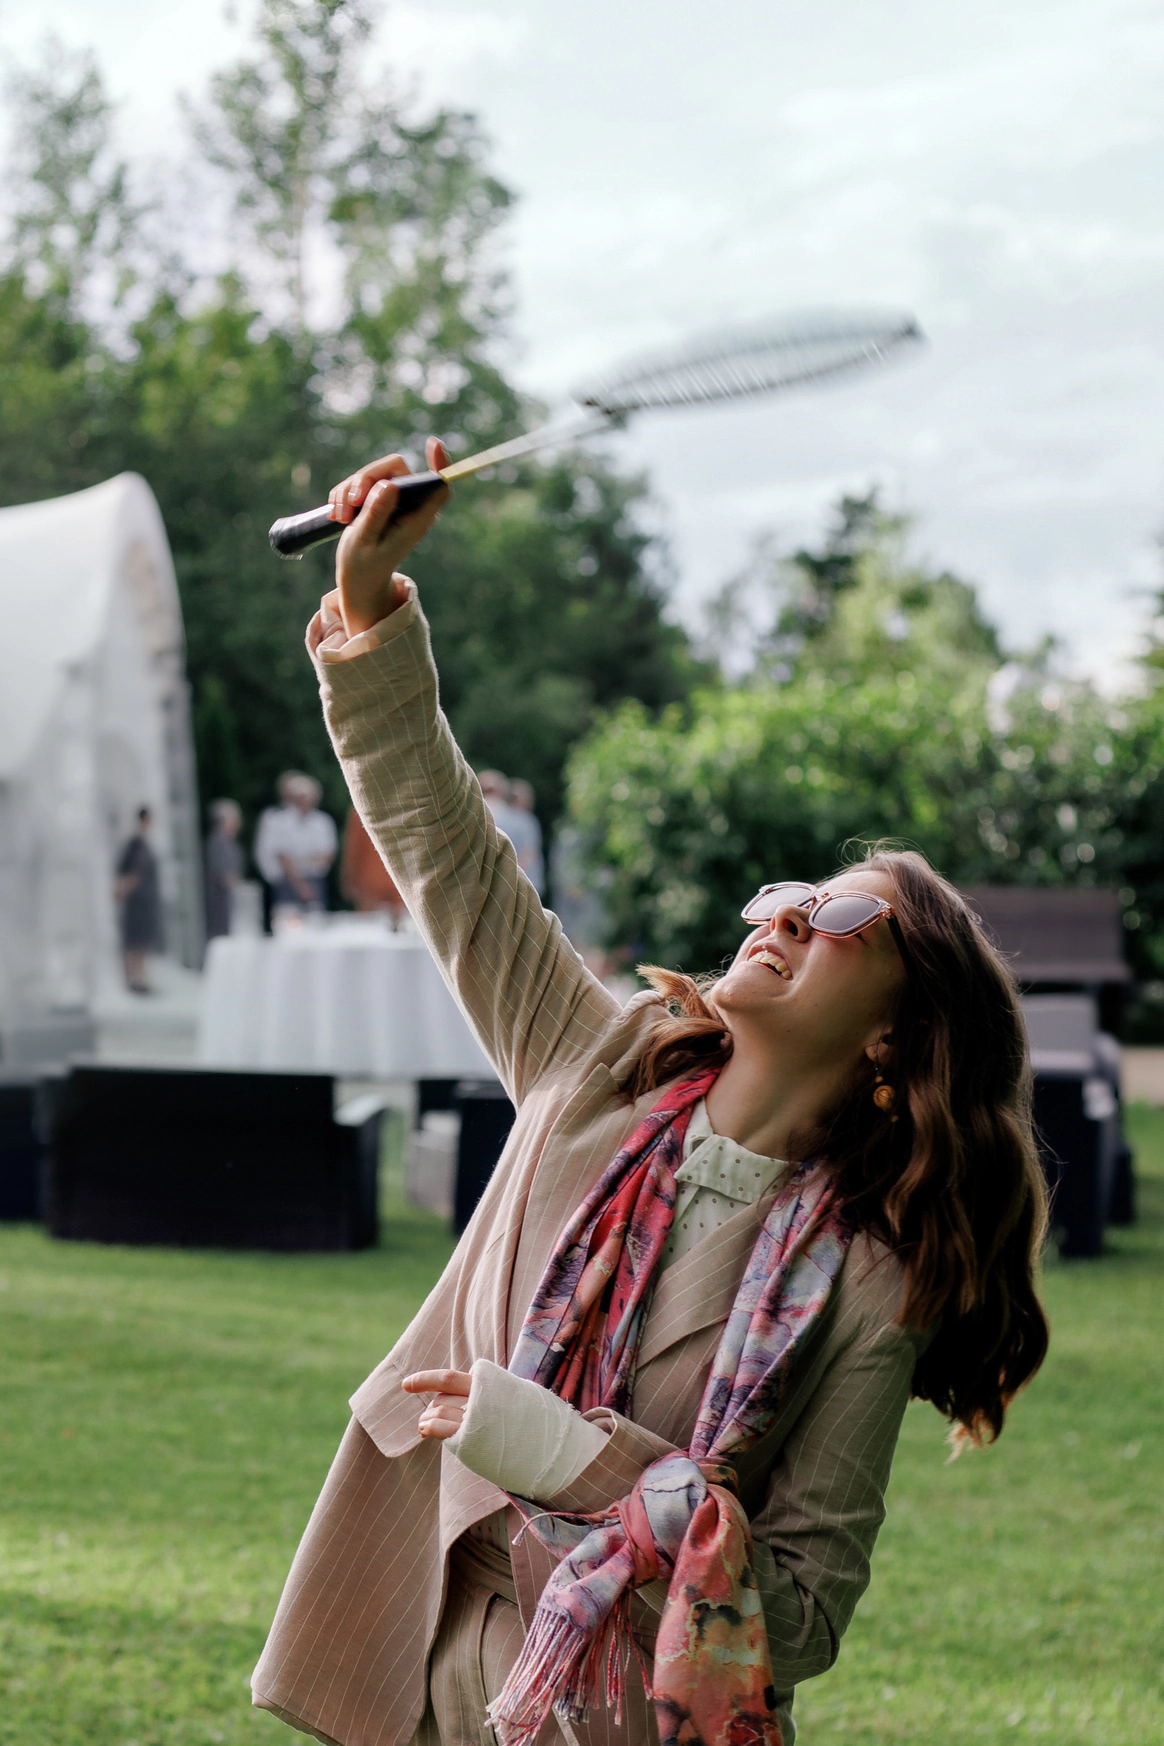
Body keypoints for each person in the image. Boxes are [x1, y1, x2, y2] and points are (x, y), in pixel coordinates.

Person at [252, 445, 1050, 1746]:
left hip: (618, 1716)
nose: (789, 915)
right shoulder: (594, 1064)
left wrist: (580, 1464)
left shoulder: (870, 1278)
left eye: (844, 917)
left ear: (895, 1037)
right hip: (427, 1664)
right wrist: (369, 602)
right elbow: (448, 849)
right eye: (788, 896)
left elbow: (802, 1618)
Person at [253, 770, 336, 925]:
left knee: (316, 923)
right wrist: (300, 882)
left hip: (315, 881)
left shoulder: (323, 821)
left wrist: (300, 863)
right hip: (286, 883)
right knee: (287, 924)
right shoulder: (280, 820)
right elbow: (282, 856)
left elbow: (327, 854)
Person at [114, 806, 162, 994]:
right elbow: (128, 871)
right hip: (136, 901)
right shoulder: (135, 843)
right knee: (134, 940)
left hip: (144, 901)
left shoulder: (144, 843)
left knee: (141, 941)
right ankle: (134, 979)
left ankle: (140, 978)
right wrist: (124, 888)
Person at [340, 804, 407, 926]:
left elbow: (353, 849)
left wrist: (349, 879)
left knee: (368, 928)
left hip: (370, 880)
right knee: (399, 927)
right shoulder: (401, 806)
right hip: (398, 878)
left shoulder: (360, 808)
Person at [204, 799, 243, 940]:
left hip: (228, 896)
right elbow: (219, 871)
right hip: (219, 897)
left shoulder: (229, 841)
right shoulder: (217, 841)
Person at [508, 778, 546, 896]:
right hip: (526, 882)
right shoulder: (527, 820)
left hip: (509, 881)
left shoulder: (501, 818)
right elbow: (528, 853)